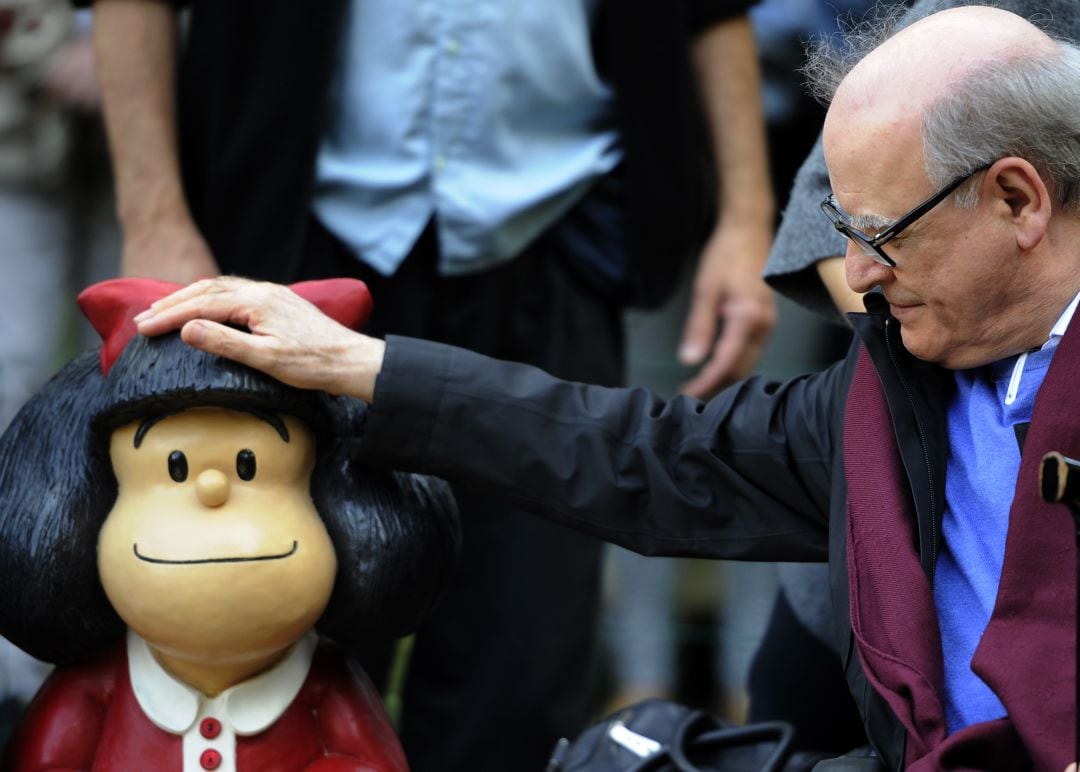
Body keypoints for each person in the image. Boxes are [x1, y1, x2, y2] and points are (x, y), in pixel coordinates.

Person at [134, 4, 1080, 768]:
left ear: (1016, 200)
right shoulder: (895, 385)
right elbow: (644, 452)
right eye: (839, 228)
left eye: (880, 234)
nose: (852, 278)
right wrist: (356, 364)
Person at [87, 2, 776, 768]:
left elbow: (712, 7)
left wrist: (746, 218)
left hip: (558, 235)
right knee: (273, 648)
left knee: (525, 670)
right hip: (291, 245)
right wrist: (154, 212)